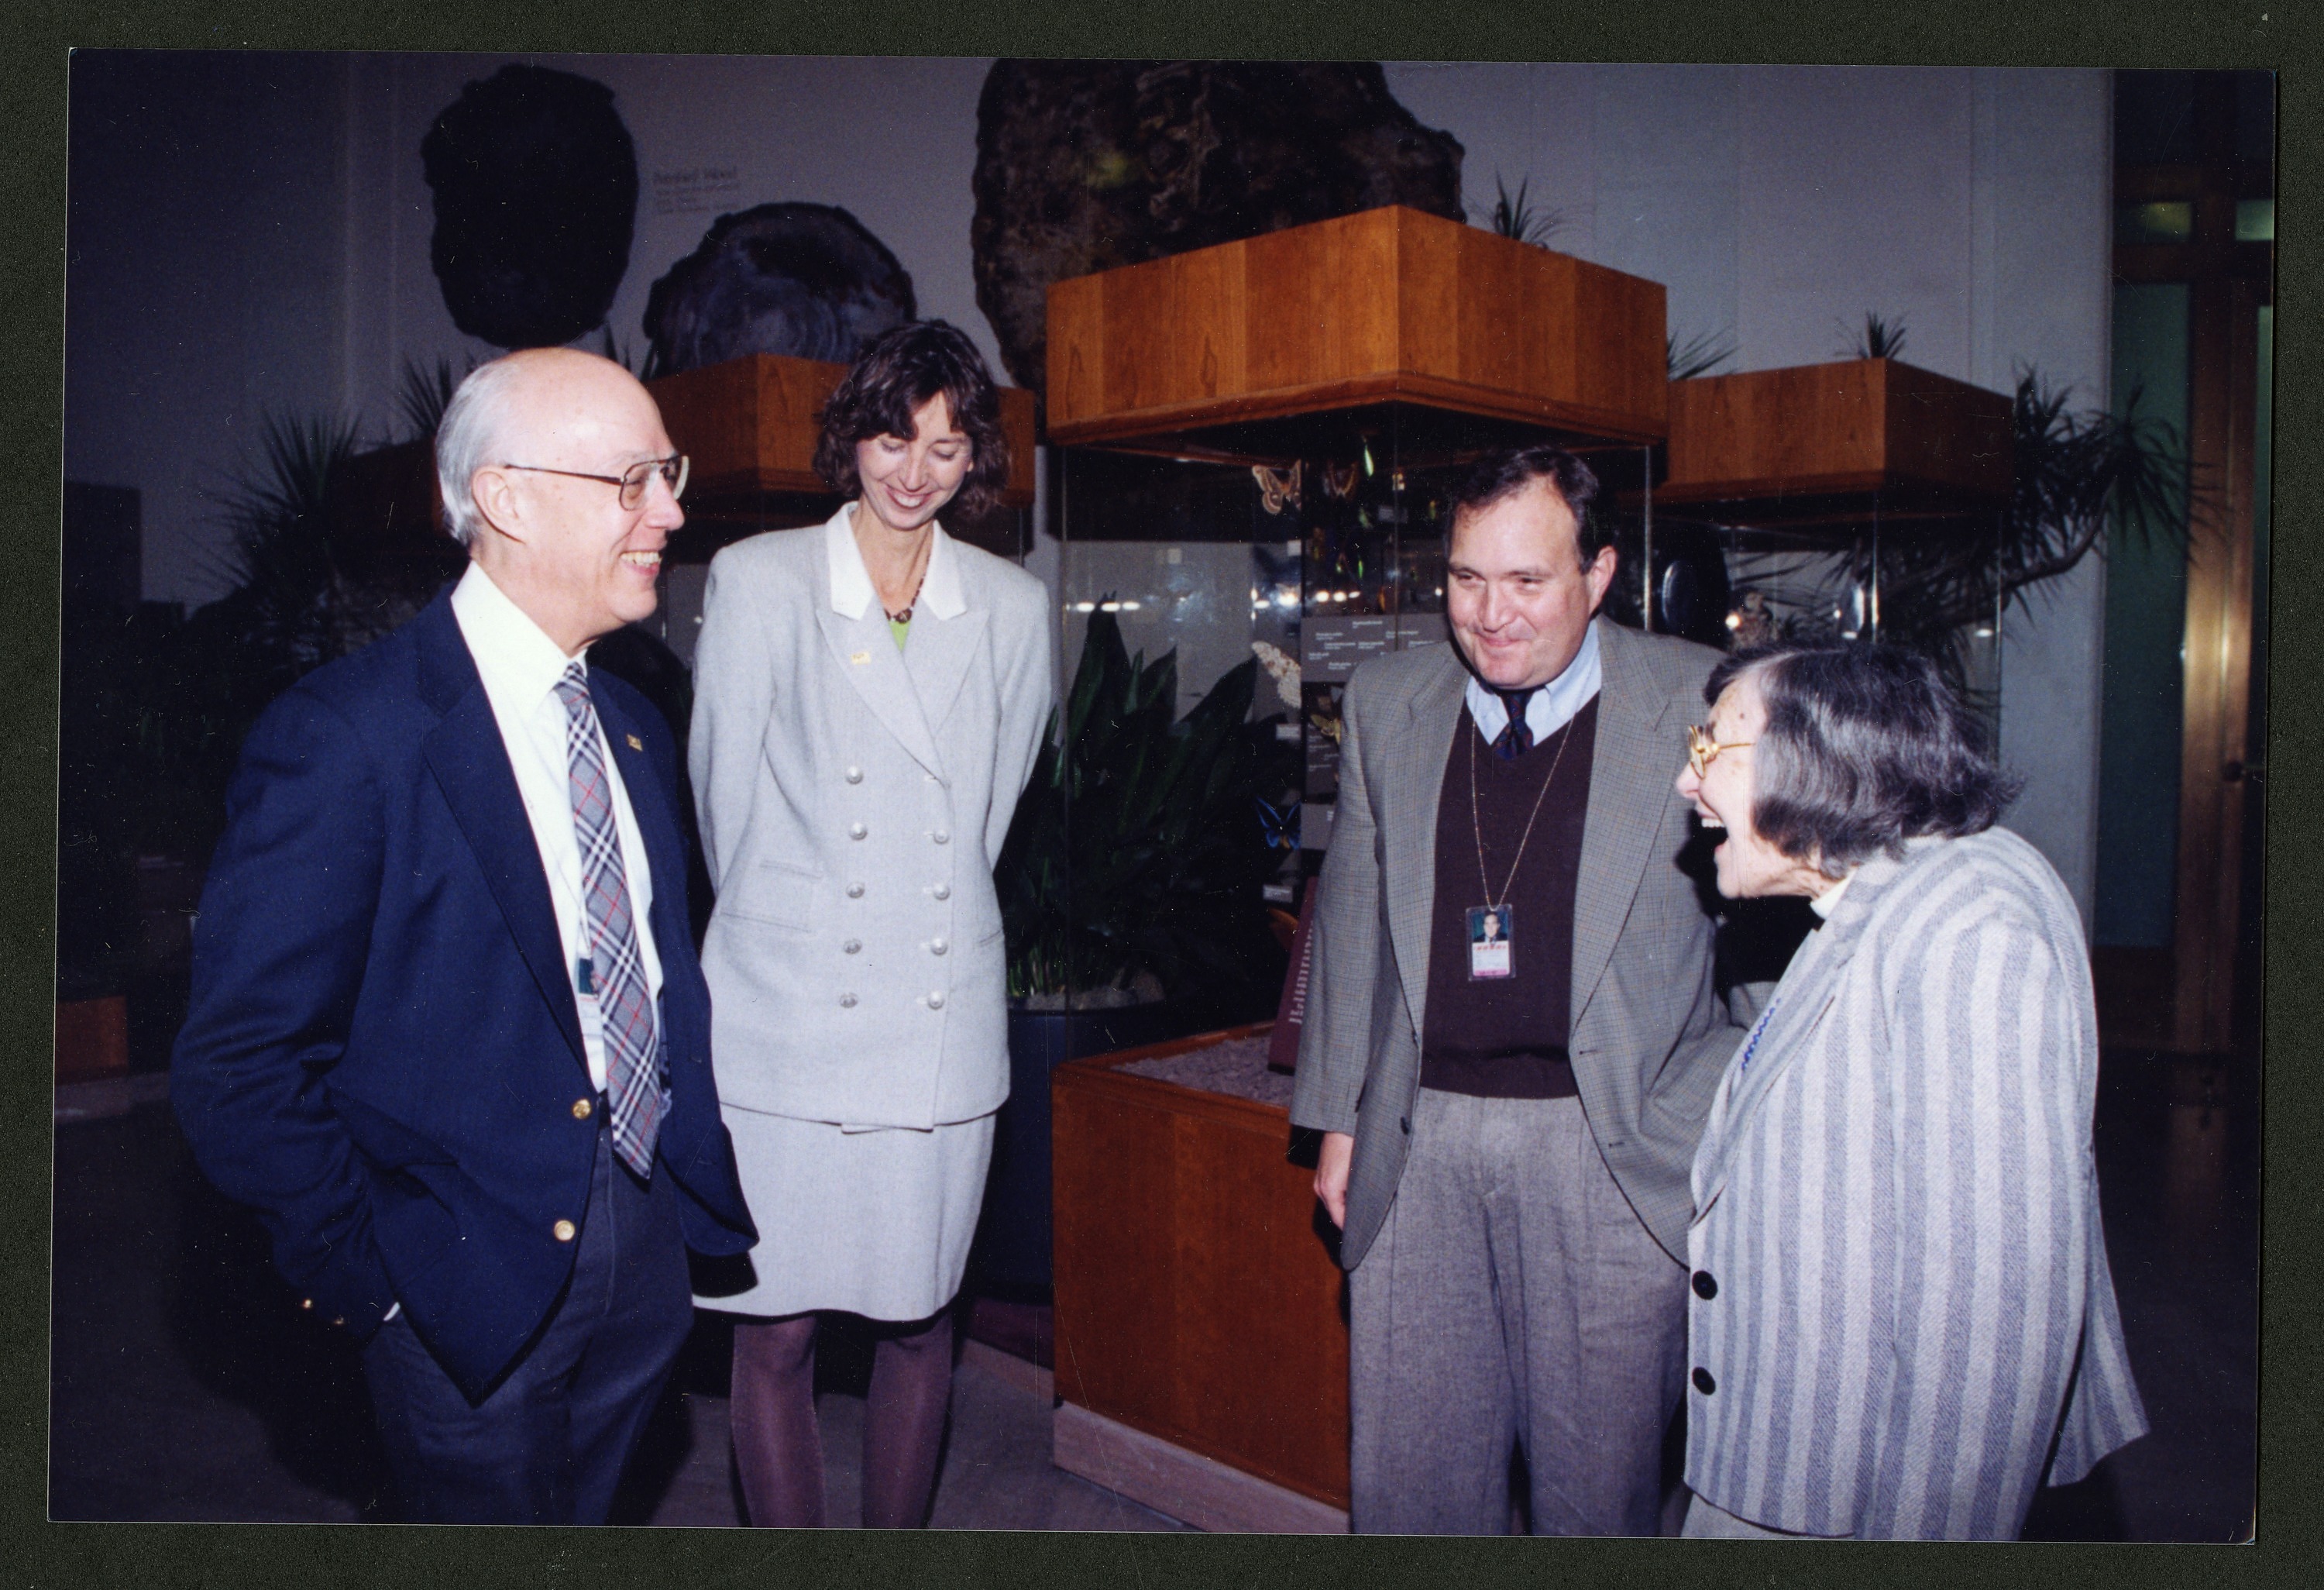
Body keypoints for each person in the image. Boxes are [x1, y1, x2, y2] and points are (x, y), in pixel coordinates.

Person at [170, 348, 757, 1524]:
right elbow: (239, 1065)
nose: (673, 511)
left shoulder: (635, 720)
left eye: (669, 473)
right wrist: (380, 1281)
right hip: (457, 1269)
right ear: (506, 498)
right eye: (634, 479)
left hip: (640, 1244)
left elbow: (647, 969)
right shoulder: (346, 736)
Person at [1288, 443, 1767, 1535]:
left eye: (1526, 582)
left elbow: (1771, 945)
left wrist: (1695, 1125)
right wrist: (1337, 1121)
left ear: (1598, 575)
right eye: (1465, 579)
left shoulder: (1702, 700)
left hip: (1608, 1150)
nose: (1490, 615)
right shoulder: (1387, 700)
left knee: (1594, 1497)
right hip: (1419, 1146)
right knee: (1412, 1491)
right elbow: (1352, 913)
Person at [687, 320, 1053, 1529]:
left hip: (931, 1027)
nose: (916, 470)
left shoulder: (1006, 605)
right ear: (854, 435)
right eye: (896, 437)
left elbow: (988, 817)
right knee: (775, 1325)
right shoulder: (760, 578)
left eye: (947, 447)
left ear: (974, 462)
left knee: (917, 1317)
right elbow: (723, 802)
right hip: (783, 1019)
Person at [1672, 641, 2147, 1540]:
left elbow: (1987, 1336)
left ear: (1817, 757)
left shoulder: (1968, 930)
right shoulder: (1878, 895)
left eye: (1710, 754)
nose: (1687, 786)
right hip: (1799, 1470)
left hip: (1852, 1499)